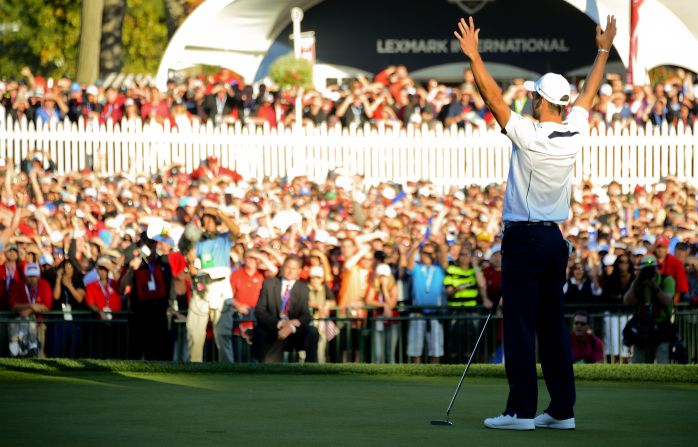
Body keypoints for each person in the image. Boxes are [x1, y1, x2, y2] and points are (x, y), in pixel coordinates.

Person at [454, 15, 617, 430]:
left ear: (542, 102)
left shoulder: (529, 133)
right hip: (553, 242)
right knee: (551, 326)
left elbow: (493, 99)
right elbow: (590, 94)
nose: (530, 101)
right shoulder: (574, 131)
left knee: (523, 326)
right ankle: (562, 409)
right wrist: (603, 50)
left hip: (525, 240)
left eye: (534, 98)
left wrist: (474, 56)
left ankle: (520, 411)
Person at [186, 206, 240, 363]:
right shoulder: (199, 241)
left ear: (217, 221)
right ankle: (193, 365)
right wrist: (191, 265)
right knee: (194, 330)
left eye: (211, 218)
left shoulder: (224, 239)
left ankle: (227, 367)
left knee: (222, 332)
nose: (207, 221)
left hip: (220, 286)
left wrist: (219, 213)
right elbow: (192, 262)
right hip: (202, 284)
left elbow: (236, 231)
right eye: (205, 218)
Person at [252, 255, 319, 363]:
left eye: (294, 269)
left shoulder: (303, 288)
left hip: (294, 331)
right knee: (260, 331)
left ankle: (311, 369)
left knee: (312, 332)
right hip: (273, 328)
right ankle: (262, 366)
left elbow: (306, 315)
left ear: (299, 271)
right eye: (287, 267)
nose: (290, 271)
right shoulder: (269, 284)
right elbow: (259, 311)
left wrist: (291, 326)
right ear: (282, 268)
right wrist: (280, 324)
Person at [622, 256, 674, 364]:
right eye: (645, 269)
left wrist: (654, 286)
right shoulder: (638, 283)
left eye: (652, 269)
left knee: (662, 362)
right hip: (642, 328)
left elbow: (667, 301)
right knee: (640, 364)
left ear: (657, 269)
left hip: (661, 326)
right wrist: (637, 280)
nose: (649, 272)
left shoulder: (667, 280)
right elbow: (627, 301)